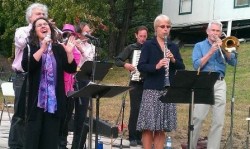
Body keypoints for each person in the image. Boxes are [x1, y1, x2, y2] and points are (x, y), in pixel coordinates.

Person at [21, 17, 77, 149]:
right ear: (35, 31)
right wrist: (42, 48)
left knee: (50, 140)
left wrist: (69, 53)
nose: (43, 26)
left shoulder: (58, 49)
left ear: (50, 29)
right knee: (32, 139)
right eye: (39, 25)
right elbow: (27, 65)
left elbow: (71, 69)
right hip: (35, 102)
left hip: (54, 103)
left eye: (45, 24)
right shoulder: (31, 47)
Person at [136, 14, 185, 149]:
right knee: (148, 126)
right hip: (151, 89)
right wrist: (156, 66)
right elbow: (141, 66)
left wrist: (173, 60)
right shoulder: (148, 45)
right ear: (156, 28)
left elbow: (182, 66)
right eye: (162, 26)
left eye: (168, 27)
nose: (165, 29)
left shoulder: (173, 47)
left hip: (167, 90)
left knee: (161, 127)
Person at [191, 20, 237, 149]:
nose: (215, 33)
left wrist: (224, 48)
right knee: (198, 117)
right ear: (207, 31)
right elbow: (196, 65)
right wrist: (211, 51)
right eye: (213, 30)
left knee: (218, 121)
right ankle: (191, 145)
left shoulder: (225, 44)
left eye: (218, 31)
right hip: (204, 81)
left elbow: (233, 62)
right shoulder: (199, 46)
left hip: (220, 82)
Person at [10, 3, 48, 149]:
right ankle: (16, 146)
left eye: (43, 15)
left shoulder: (47, 32)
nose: (41, 17)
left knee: (36, 113)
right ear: (30, 17)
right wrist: (37, 29)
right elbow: (21, 42)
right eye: (38, 14)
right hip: (23, 76)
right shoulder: (22, 31)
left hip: (40, 77)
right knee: (20, 114)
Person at [60, 22, 96, 149]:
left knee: (81, 115)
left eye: (89, 32)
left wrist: (81, 49)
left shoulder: (92, 47)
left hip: (83, 80)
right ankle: (62, 143)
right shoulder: (69, 43)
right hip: (71, 79)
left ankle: (77, 146)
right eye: (86, 32)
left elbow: (89, 62)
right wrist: (74, 46)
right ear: (79, 33)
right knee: (66, 113)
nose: (88, 34)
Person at [114, 25, 148, 146]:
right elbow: (117, 60)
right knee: (135, 109)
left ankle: (141, 136)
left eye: (145, 36)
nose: (143, 39)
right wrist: (125, 65)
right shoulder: (131, 48)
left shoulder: (150, 47)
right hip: (135, 82)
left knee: (145, 110)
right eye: (140, 36)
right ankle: (132, 136)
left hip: (148, 83)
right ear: (136, 35)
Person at [58, 23, 83, 149]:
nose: (67, 37)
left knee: (66, 117)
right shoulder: (57, 46)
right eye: (65, 34)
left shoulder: (75, 52)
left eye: (70, 34)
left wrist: (71, 49)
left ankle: (62, 143)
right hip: (57, 87)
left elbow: (73, 68)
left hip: (69, 88)